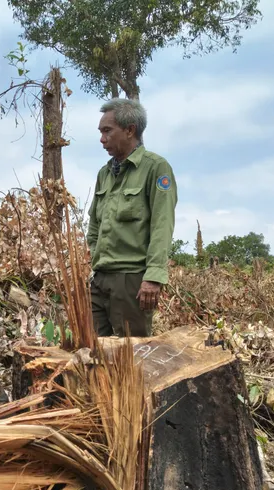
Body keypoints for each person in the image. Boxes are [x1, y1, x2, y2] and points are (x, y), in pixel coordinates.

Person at [87, 98, 177, 337]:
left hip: (133, 283)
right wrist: (95, 262)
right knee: (92, 355)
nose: (102, 138)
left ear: (130, 130)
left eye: (107, 131)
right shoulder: (104, 174)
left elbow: (162, 224)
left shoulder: (156, 168)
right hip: (100, 279)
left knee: (132, 357)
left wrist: (153, 277)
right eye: (100, 132)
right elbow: (94, 225)